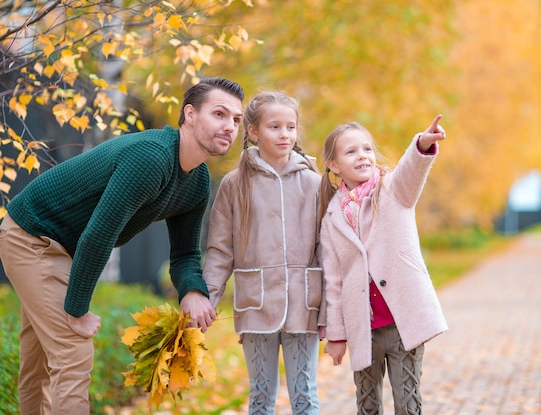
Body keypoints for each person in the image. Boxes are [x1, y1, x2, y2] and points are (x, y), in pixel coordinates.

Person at [0, 77, 244, 414]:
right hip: (32, 237)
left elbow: (185, 253)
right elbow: (99, 235)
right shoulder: (152, 158)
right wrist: (77, 310)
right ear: (190, 114)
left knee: (38, 359)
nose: (229, 126)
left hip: (62, 248)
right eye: (219, 113)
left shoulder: (198, 181)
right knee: (72, 351)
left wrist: (193, 290)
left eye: (236, 119)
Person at [202, 90, 323, 415]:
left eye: (290, 127)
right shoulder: (234, 183)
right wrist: (207, 300)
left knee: (305, 396)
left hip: (304, 305)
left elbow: (328, 250)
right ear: (253, 131)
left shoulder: (314, 183)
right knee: (260, 398)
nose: (284, 134)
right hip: (255, 307)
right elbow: (219, 250)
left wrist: (334, 311)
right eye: (275, 127)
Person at [319, 115, 449, 415]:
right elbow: (334, 282)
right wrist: (337, 335)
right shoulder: (332, 219)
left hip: (402, 322)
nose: (362, 155)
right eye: (351, 151)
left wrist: (422, 144)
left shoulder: (393, 191)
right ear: (334, 165)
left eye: (366, 149)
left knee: (407, 401)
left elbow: (410, 171)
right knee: (367, 404)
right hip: (363, 328)